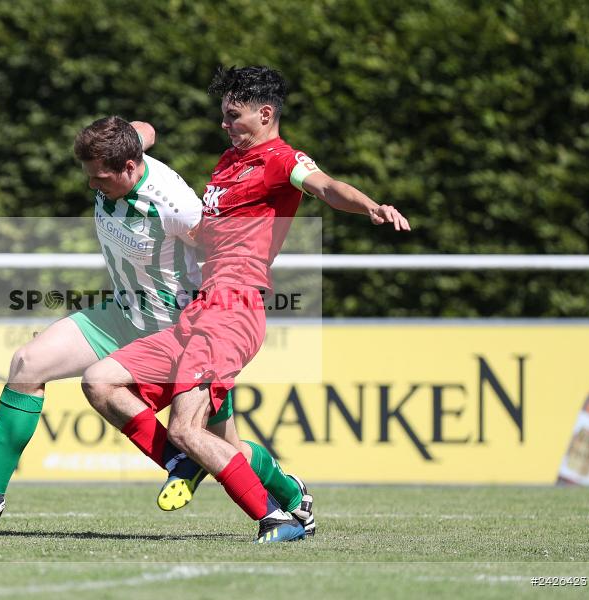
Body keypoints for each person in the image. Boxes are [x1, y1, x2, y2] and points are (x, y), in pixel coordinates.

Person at [0, 116, 314, 535]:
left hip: (175, 330)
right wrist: (132, 133)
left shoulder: (177, 206)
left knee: (224, 447)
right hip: (122, 313)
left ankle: (291, 496)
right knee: (27, 363)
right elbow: (144, 129)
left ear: (130, 168)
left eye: (101, 178)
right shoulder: (125, 156)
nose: (93, 185)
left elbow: (219, 250)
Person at [81, 66, 411, 543]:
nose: (225, 124)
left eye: (233, 116)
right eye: (223, 115)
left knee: (189, 429)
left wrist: (371, 206)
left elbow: (326, 187)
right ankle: (264, 489)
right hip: (197, 309)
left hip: (232, 311)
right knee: (101, 381)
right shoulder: (226, 164)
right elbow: (204, 232)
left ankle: (276, 520)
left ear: (265, 114)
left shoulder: (280, 160)